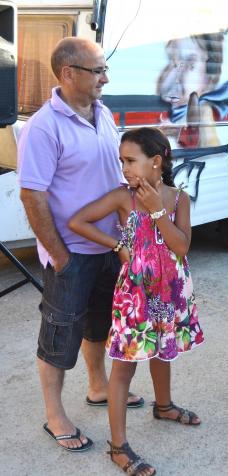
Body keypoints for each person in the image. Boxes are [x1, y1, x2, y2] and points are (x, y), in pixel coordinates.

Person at [17, 37, 142, 453]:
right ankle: (55, 415)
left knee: (98, 325)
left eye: (105, 69)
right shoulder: (43, 127)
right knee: (59, 335)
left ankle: (98, 385)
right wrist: (60, 256)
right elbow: (32, 196)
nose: (106, 78)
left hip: (109, 247)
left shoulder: (103, 113)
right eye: (98, 70)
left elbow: (115, 177)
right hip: (71, 252)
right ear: (68, 73)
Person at [68, 128, 203, 475]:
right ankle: (118, 446)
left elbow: (181, 247)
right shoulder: (122, 198)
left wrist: (158, 211)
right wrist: (117, 246)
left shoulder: (178, 199)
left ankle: (164, 406)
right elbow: (77, 221)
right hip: (136, 296)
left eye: (130, 161)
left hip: (169, 291)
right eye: (121, 162)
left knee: (162, 350)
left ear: (156, 161)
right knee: (124, 365)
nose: (124, 169)